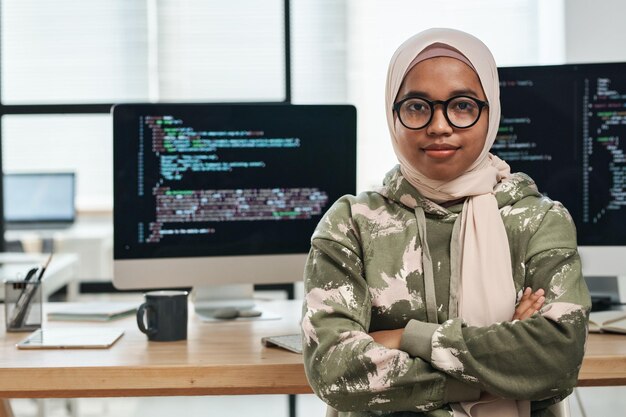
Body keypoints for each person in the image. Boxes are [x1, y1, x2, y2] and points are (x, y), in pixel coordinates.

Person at [301, 28, 590, 417]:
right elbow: (334, 372)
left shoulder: (538, 220)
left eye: (463, 105)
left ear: (490, 114)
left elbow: (556, 362)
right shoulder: (351, 223)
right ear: (393, 116)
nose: (439, 125)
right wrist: (502, 365)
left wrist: (406, 337)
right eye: (417, 107)